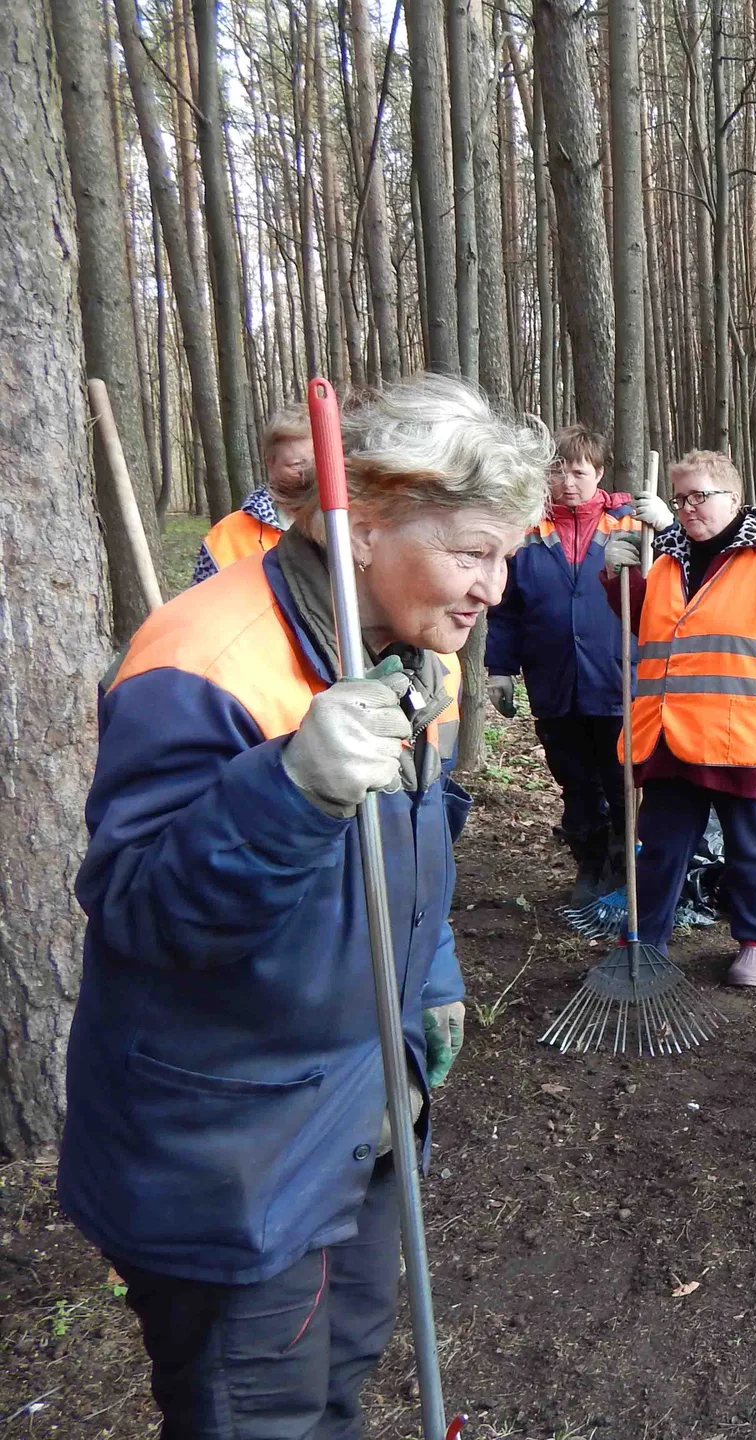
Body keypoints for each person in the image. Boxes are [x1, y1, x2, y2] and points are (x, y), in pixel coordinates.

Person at [60, 374, 549, 1438]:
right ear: (364, 523)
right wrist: (288, 791)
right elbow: (141, 909)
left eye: (506, 555)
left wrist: (434, 978)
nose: (494, 589)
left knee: (338, 1377)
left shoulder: (416, 647)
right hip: (231, 1156)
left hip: (360, 1111)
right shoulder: (206, 660)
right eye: (473, 550)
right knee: (258, 1412)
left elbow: (410, 854)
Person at [600, 450, 756, 987]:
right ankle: (646, 940)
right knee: (659, 847)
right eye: (680, 498)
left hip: (744, 737)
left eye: (700, 496)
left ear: (734, 497)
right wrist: (618, 573)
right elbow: (643, 623)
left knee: (752, 849)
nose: (688, 508)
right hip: (668, 734)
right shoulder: (666, 558)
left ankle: (755, 942)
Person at [484, 425, 646, 905]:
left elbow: (663, 593)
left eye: (578, 471)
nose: (567, 481)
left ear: (598, 473)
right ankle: (589, 865)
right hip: (553, 678)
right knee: (574, 782)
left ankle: (626, 872)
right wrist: (499, 669)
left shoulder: (631, 526)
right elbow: (506, 608)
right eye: (558, 470)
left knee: (622, 782)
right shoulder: (528, 533)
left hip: (616, 678)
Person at [191, 405, 315, 583]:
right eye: (297, 465)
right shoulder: (228, 537)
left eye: (316, 463)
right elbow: (200, 606)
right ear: (270, 464)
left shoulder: (344, 525)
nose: (309, 474)